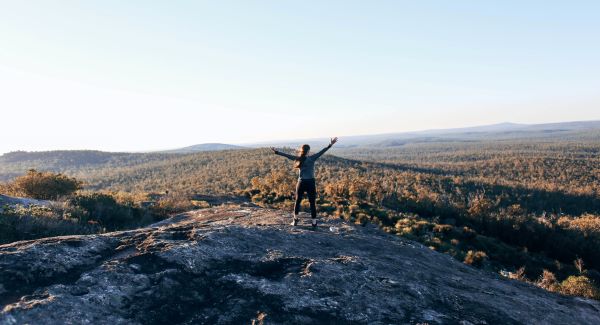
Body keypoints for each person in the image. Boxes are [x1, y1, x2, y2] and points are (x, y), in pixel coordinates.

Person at [270, 137, 338, 228]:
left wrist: (277, 152)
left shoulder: (298, 159)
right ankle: (314, 223)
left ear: (302, 150)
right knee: (312, 203)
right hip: (310, 183)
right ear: (308, 151)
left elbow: (287, 155)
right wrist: (330, 145)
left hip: (301, 182)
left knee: (297, 201)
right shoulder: (312, 158)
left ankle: (295, 221)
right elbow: (322, 152)